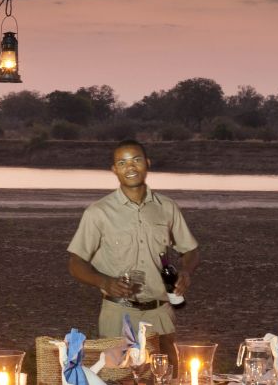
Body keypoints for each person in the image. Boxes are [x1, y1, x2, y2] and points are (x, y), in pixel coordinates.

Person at [67, 139, 200, 368]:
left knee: (168, 378)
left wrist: (186, 272)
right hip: (118, 313)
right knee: (120, 379)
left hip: (160, 314)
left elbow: (191, 250)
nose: (131, 167)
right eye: (122, 162)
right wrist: (104, 281)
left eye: (136, 160)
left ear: (147, 164)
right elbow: (76, 263)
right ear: (114, 169)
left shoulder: (167, 207)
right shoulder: (98, 212)